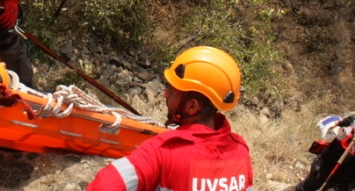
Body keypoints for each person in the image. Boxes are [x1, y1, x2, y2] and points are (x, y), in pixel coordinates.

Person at [86, 45, 254, 191]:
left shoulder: (162, 151)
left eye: (171, 92)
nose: (164, 93)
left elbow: (104, 186)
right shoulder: (240, 152)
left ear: (192, 106)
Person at [284, 109, 355, 191]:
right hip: (321, 169)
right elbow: (322, 127)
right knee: (303, 189)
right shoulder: (348, 129)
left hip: (340, 184)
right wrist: (339, 123)